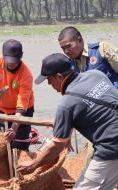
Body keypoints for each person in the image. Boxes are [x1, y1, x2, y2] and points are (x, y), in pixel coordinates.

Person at [17, 53, 118, 190]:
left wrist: (34, 164)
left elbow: (57, 146)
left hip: (111, 148)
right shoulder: (96, 74)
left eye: (49, 79)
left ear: (59, 76)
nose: (48, 84)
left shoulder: (66, 104)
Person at [0, 39, 35, 151]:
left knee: (20, 147)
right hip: (2, 110)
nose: (11, 64)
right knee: (1, 145)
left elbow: (22, 106)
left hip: (22, 112)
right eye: (8, 61)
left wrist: (14, 128)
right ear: (3, 55)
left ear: (21, 56)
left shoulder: (26, 74)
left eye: (14, 61)